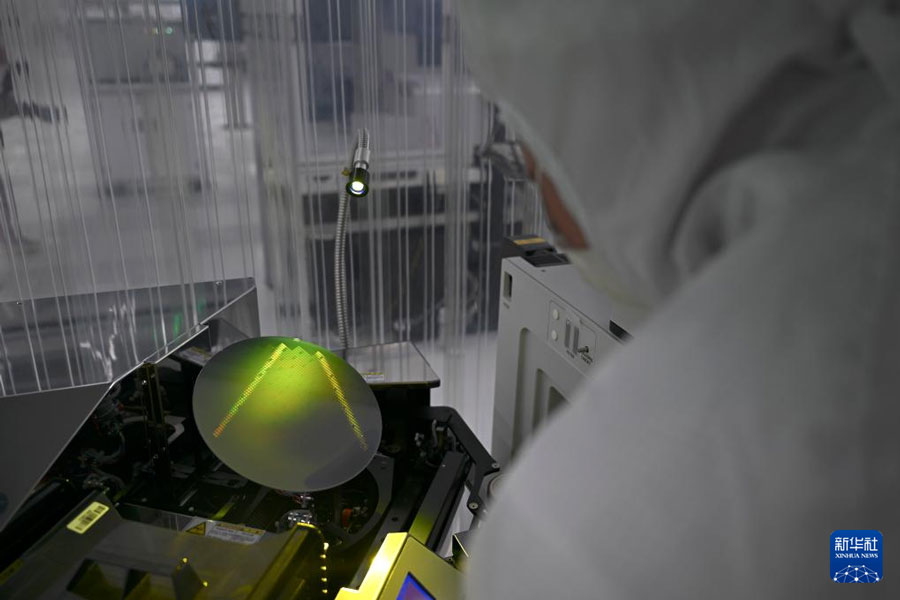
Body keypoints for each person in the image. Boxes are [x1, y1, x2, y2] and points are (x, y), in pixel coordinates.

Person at [458, 0, 900, 597]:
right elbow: (857, 561)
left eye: (531, 152)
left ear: (605, 146)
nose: (544, 196)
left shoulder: (574, 544)